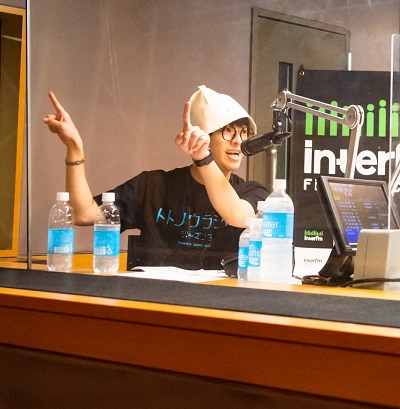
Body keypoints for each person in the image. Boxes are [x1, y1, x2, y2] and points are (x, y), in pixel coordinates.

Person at [44, 85, 269, 270]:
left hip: (222, 302)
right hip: (154, 299)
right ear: (202, 134)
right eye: (228, 131)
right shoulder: (153, 186)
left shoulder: (253, 193)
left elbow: (237, 216)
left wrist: (203, 158)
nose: (238, 141)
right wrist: (74, 148)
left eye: (243, 132)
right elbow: (83, 213)